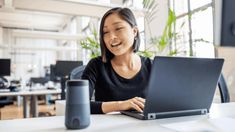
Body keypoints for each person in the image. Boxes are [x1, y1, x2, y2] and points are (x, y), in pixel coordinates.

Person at [81, 7, 152, 114]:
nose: (111, 37)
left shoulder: (152, 66)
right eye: (105, 32)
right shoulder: (96, 65)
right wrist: (121, 105)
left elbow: (168, 101)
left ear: (134, 31)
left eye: (118, 29)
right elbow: (79, 104)